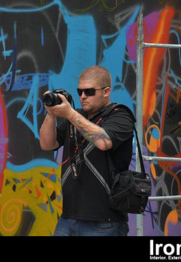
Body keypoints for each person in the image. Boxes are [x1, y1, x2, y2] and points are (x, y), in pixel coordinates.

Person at [39, 65, 135, 236]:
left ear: (106, 92)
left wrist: (69, 114)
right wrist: (51, 114)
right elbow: (47, 144)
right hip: (68, 218)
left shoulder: (120, 115)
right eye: (80, 91)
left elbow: (104, 142)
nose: (83, 96)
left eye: (89, 92)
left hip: (104, 222)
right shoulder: (76, 116)